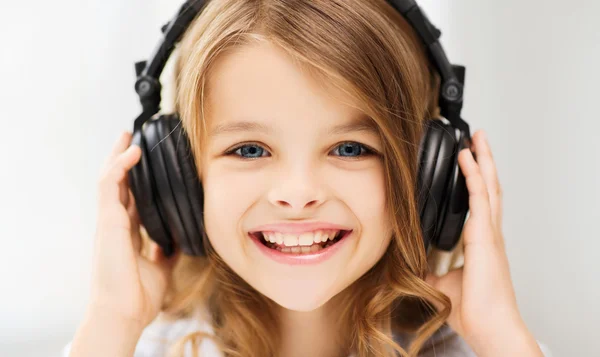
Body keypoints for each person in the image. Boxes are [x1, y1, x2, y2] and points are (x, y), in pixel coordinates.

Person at [63, 0, 552, 356]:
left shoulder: (486, 347)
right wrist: (113, 322)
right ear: (179, 181)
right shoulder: (138, 346)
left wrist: (498, 334)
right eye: (249, 149)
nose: (298, 194)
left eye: (350, 148)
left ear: (431, 175)